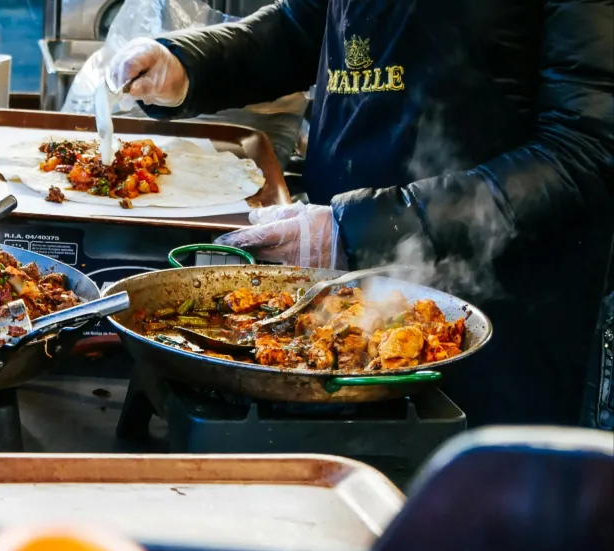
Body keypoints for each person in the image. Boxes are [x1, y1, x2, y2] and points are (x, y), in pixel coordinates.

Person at [106, 0, 614, 428]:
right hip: (339, 286)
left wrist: (366, 228)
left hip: (497, 322)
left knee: (471, 525)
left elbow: (586, 148)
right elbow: (304, 26)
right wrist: (189, 64)